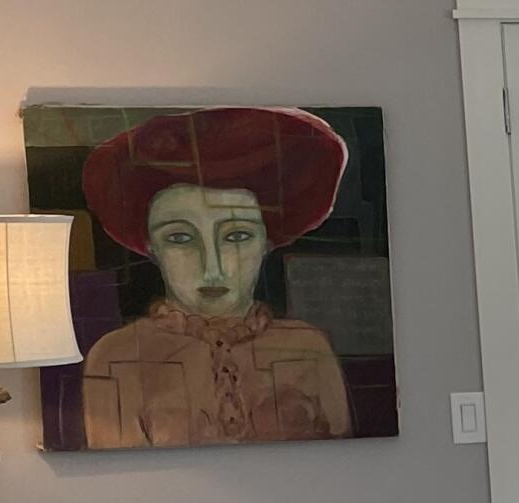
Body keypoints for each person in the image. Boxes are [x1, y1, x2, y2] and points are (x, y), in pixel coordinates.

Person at [77, 105, 356, 448]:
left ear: (266, 243)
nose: (212, 267)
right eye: (180, 238)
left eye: (237, 236)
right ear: (151, 248)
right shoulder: (116, 355)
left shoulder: (308, 347)